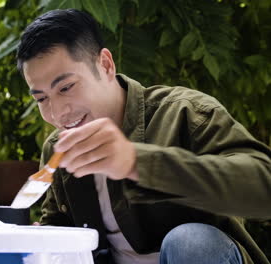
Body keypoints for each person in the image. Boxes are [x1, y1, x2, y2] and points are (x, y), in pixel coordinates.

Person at [16, 9, 271, 264]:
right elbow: (60, 232)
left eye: (66, 87)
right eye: (41, 98)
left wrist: (135, 162)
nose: (58, 112)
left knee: (190, 242)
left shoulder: (185, 113)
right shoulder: (58, 148)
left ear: (105, 65)